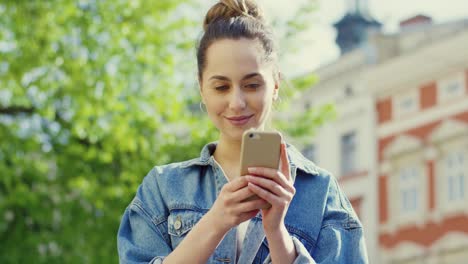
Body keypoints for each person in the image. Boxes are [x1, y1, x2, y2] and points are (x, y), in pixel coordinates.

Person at [117, 0, 368, 263]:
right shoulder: (163, 188)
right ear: (201, 87)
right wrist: (215, 222)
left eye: (251, 85)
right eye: (221, 87)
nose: (236, 102)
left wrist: (277, 233)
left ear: (275, 85)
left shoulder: (321, 192)